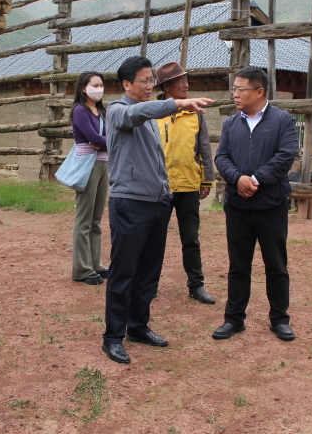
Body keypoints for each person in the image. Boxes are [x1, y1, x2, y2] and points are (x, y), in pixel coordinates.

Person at [101, 56, 212, 364]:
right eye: (145, 80)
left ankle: (138, 327)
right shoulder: (118, 111)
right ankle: (112, 337)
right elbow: (138, 113)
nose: (150, 86)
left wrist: (165, 192)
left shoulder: (149, 116)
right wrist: (177, 103)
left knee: (149, 272)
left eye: (152, 80)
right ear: (126, 84)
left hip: (156, 203)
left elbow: (156, 158)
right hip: (129, 203)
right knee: (123, 272)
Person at [213, 67, 299, 342]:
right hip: (238, 206)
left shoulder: (283, 121)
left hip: (271, 205)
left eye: (241, 89)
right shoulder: (230, 124)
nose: (235, 95)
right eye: (234, 89)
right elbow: (221, 157)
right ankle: (234, 319)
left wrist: (256, 179)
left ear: (259, 91)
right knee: (238, 266)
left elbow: (286, 156)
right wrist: (238, 179)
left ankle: (280, 319)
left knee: (276, 265)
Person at [155, 61, 216, 305]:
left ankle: (196, 285)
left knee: (190, 239)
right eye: (180, 81)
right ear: (166, 87)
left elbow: (204, 148)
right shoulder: (153, 112)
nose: (186, 84)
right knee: (154, 239)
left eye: (186, 80)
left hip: (189, 184)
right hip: (159, 187)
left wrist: (207, 180)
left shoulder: (195, 112)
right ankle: (149, 284)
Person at [70, 71, 110, 285]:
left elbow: (107, 138)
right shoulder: (80, 110)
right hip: (88, 164)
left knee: (96, 220)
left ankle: (96, 264)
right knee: (84, 219)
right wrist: (107, 141)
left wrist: (105, 142)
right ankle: (82, 269)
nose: (99, 89)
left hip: (103, 164)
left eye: (101, 85)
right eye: (95, 85)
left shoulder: (101, 111)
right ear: (84, 88)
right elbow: (93, 138)